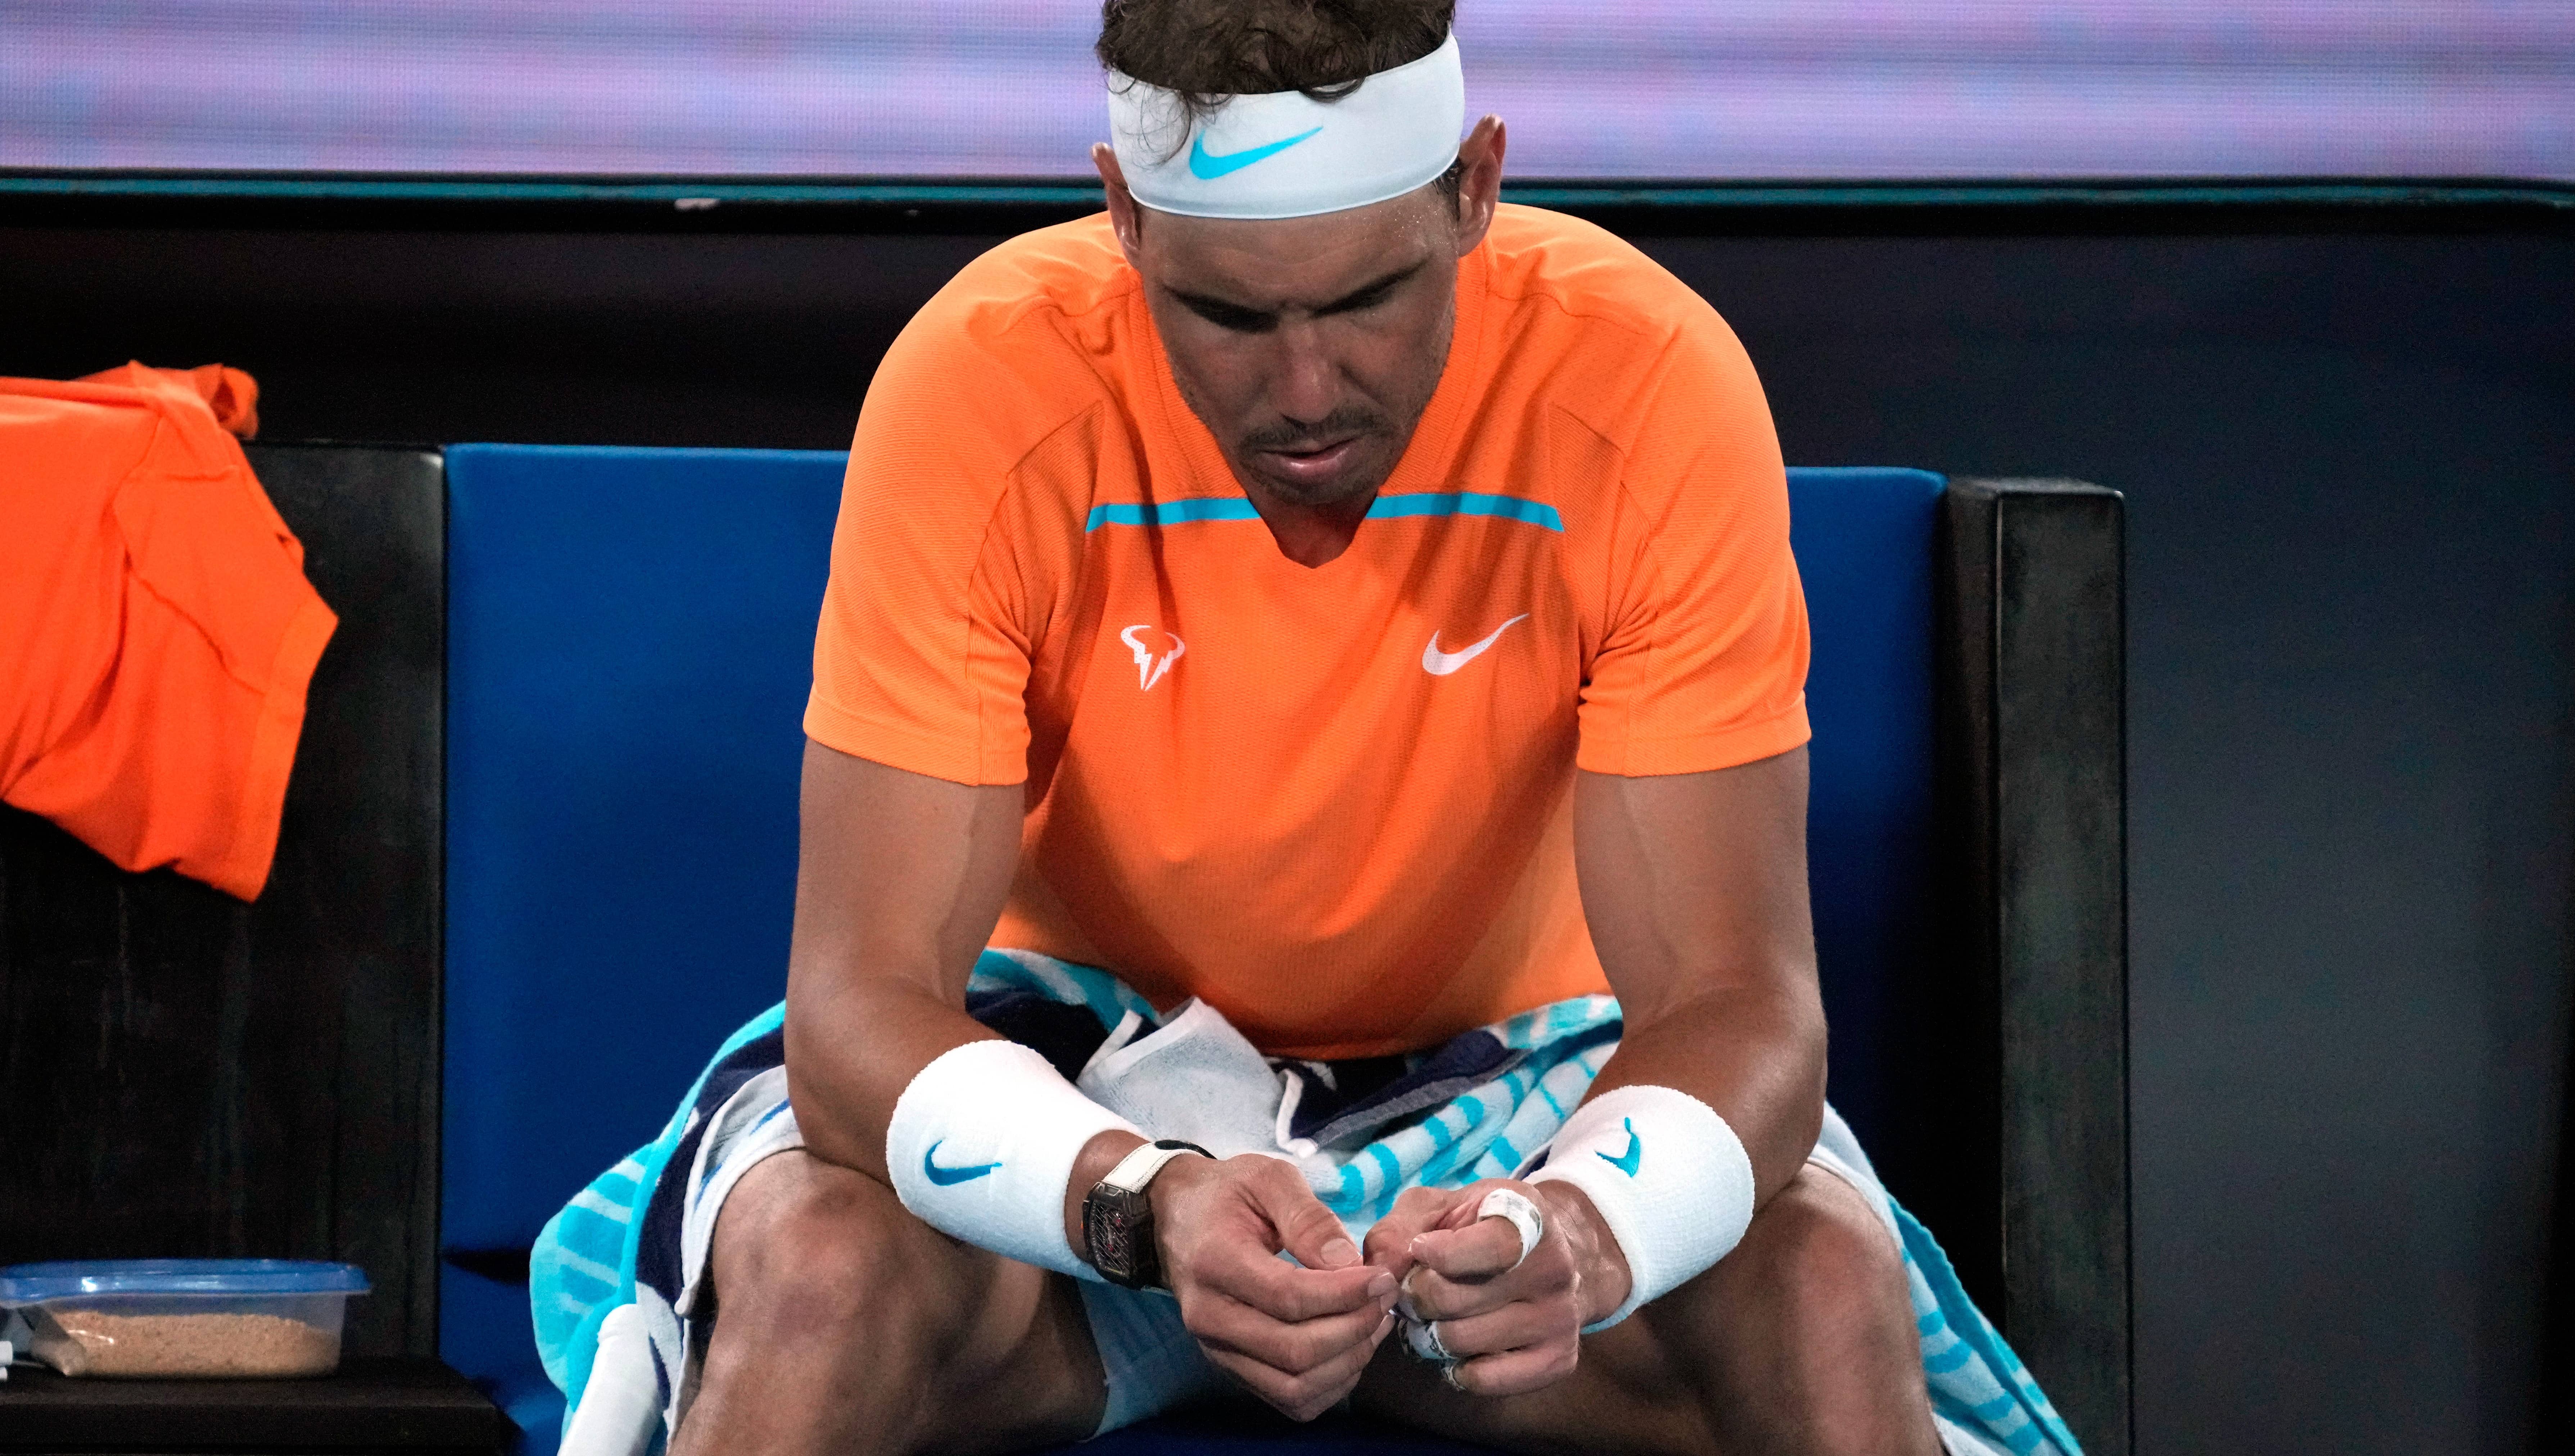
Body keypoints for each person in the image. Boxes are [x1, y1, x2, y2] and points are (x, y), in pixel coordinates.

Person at [530, 5, 2076, 1455]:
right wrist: (1136, 1203)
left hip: (1517, 1111)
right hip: (1076, 1105)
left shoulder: (1647, 379)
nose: (1307, 391)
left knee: (1822, 1288)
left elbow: (1741, 1006)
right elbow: (857, 1014)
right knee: (812, 1268)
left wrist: (1586, 1232)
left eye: (1367, 299)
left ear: (1475, 191)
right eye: (1226, 314)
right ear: (1123, 219)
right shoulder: (982, 382)